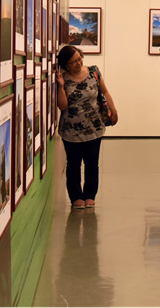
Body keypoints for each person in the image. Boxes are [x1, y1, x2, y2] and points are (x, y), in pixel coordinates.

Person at [56, 45, 118, 209]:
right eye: (73, 61)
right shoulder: (63, 78)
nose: (78, 62)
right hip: (71, 130)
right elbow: (62, 106)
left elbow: (104, 92)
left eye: (79, 58)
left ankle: (90, 195)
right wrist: (61, 86)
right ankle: (76, 197)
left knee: (92, 163)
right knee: (73, 164)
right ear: (66, 64)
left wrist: (114, 110)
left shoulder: (93, 71)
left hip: (94, 127)